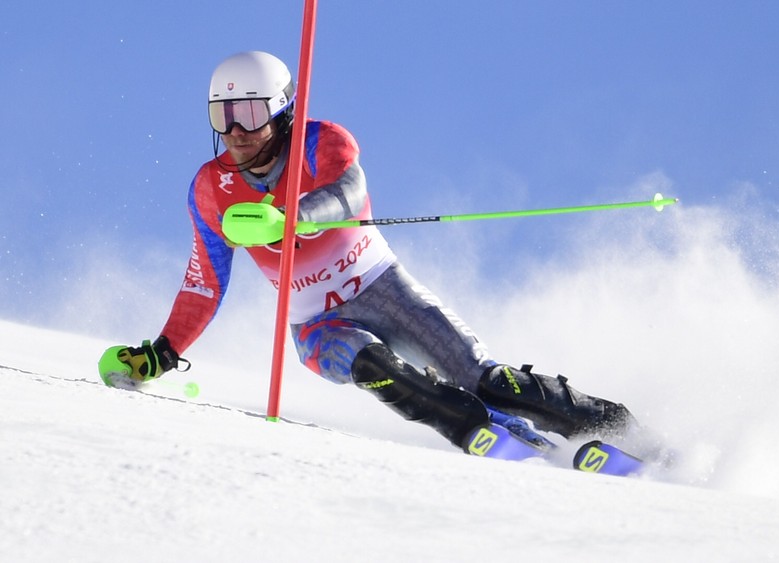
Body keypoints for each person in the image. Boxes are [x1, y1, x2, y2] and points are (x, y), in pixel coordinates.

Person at [98, 51, 641, 453]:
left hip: (383, 288)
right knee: (375, 367)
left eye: (251, 112)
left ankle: (620, 430)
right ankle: (488, 438)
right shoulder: (209, 189)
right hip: (315, 324)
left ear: (283, 109)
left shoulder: (321, 140)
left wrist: (292, 218)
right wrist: (162, 353)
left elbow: (349, 194)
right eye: (223, 116)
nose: (237, 130)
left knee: (488, 380)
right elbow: (204, 282)